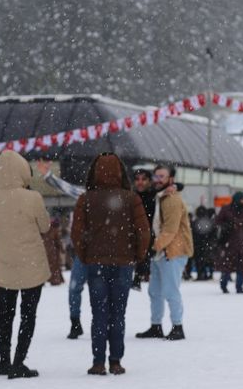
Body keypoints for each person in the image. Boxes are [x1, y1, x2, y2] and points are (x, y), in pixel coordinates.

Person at [71, 153, 150, 375]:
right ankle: (115, 361)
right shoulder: (131, 199)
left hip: (95, 263)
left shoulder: (86, 199)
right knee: (118, 314)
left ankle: (98, 362)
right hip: (124, 263)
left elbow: (77, 233)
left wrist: (85, 255)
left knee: (99, 313)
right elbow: (143, 231)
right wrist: (137, 255)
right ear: (120, 172)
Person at [0, 150, 50, 379]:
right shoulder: (33, 198)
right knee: (28, 314)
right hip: (32, 264)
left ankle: (4, 360)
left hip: (5, 264)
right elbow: (45, 226)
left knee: (6, 314)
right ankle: (19, 361)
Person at [136, 164, 193, 341]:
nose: (158, 180)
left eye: (162, 176)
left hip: (172, 251)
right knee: (155, 291)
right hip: (160, 251)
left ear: (170, 179)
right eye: (156, 176)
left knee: (170, 290)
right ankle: (156, 326)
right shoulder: (159, 196)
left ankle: (178, 326)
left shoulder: (171, 199)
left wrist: (153, 247)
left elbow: (170, 230)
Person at [36, 160, 87, 339]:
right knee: (75, 288)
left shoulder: (116, 196)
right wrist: (49, 176)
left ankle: (100, 323)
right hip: (84, 253)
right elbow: (68, 188)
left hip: (99, 254)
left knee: (97, 291)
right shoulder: (87, 195)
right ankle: (75, 322)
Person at [215, 192, 243, 293]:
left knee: (241, 266)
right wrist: (228, 226)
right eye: (242, 200)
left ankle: (239, 287)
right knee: (227, 266)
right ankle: (223, 285)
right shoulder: (226, 209)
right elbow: (218, 222)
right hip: (228, 241)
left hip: (241, 242)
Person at [192, 206, 216, 280]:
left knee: (198, 260)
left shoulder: (195, 222)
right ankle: (207, 273)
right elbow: (213, 234)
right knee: (206, 260)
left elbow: (193, 233)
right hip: (206, 244)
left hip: (197, 244)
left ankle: (200, 274)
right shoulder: (209, 222)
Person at [44, 216, 66, 286]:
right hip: (53, 251)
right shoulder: (55, 230)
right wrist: (62, 249)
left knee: (49, 266)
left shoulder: (45, 230)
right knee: (55, 266)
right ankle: (55, 280)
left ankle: (48, 279)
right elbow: (58, 241)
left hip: (46, 251)